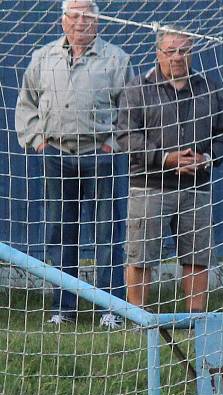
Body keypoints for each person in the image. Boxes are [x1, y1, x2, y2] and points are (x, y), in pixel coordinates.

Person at [15, 0, 132, 327]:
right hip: (55, 155)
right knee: (59, 232)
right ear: (63, 21)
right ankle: (63, 309)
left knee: (107, 231)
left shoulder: (117, 59)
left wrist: (112, 144)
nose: (81, 22)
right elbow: (26, 103)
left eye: (88, 16)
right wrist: (38, 140)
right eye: (75, 16)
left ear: (99, 20)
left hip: (100, 156)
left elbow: (130, 110)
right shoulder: (43, 58)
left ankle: (112, 309)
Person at [116, 29, 223, 312]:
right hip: (150, 185)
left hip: (196, 187)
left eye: (184, 50)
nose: (178, 57)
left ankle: (195, 319)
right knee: (141, 256)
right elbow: (125, 136)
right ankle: (138, 317)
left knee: (196, 257)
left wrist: (205, 158)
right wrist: (164, 157)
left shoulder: (211, 89)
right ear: (158, 54)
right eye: (171, 51)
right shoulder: (137, 88)